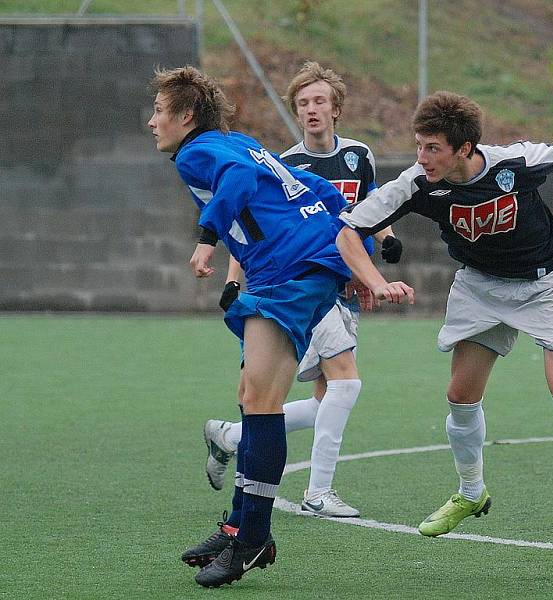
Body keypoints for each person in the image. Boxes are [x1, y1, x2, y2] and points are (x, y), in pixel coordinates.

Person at [335, 91, 553, 593]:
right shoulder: (418, 184)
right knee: (460, 397)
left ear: (464, 148)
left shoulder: (514, 164)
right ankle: (471, 492)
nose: (422, 158)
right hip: (480, 287)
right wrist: (375, 281)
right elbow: (348, 232)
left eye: (433, 148)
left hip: (547, 282)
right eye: (419, 146)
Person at [148, 66, 374, 588]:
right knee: (252, 396)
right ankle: (237, 527)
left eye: (160, 112)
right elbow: (312, 183)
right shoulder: (237, 141)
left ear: (186, 117)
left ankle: (252, 539)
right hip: (294, 268)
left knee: (264, 404)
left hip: (291, 273)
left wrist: (207, 238)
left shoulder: (196, 153)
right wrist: (349, 246)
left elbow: (244, 182)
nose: (153, 122)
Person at [202, 61, 402, 518]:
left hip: (344, 282)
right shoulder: (285, 164)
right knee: (346, 384)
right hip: (304, 281)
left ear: (336, 109)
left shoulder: (358, 156)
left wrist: (386, 240)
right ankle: (318, 491)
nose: (310, 110)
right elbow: (252, 227)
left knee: (323, 399)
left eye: (319, 101)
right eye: (302, 103)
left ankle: (229, 436)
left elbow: (369, 208)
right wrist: (234, 280)